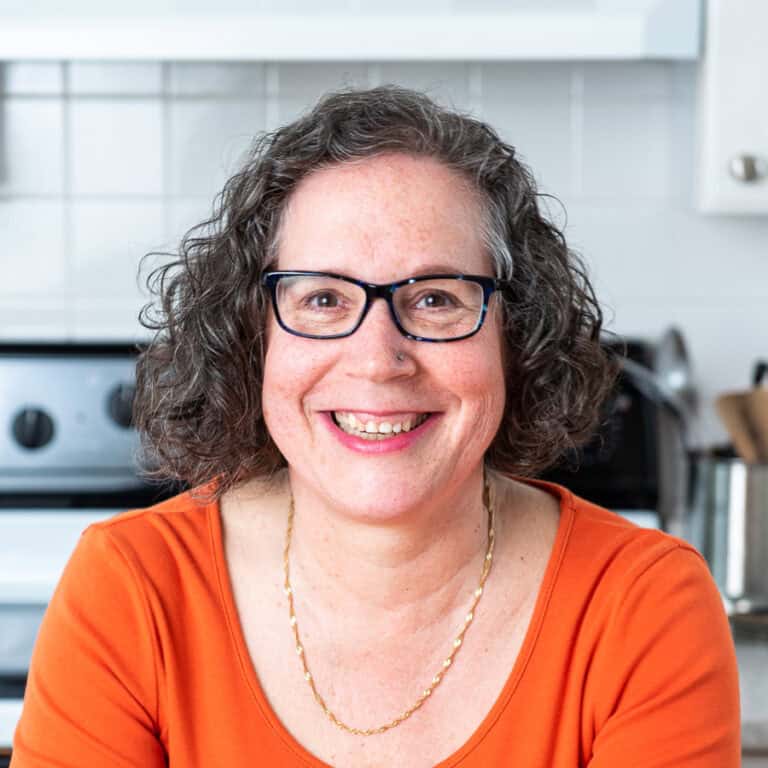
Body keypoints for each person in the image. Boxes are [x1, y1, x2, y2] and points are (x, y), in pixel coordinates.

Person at [11, 86, 740, 767]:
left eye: (435, 300)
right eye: (322, 298)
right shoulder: (134, 588)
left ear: (515, 336)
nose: (378, 360)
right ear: (252, 335)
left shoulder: (641, 606)